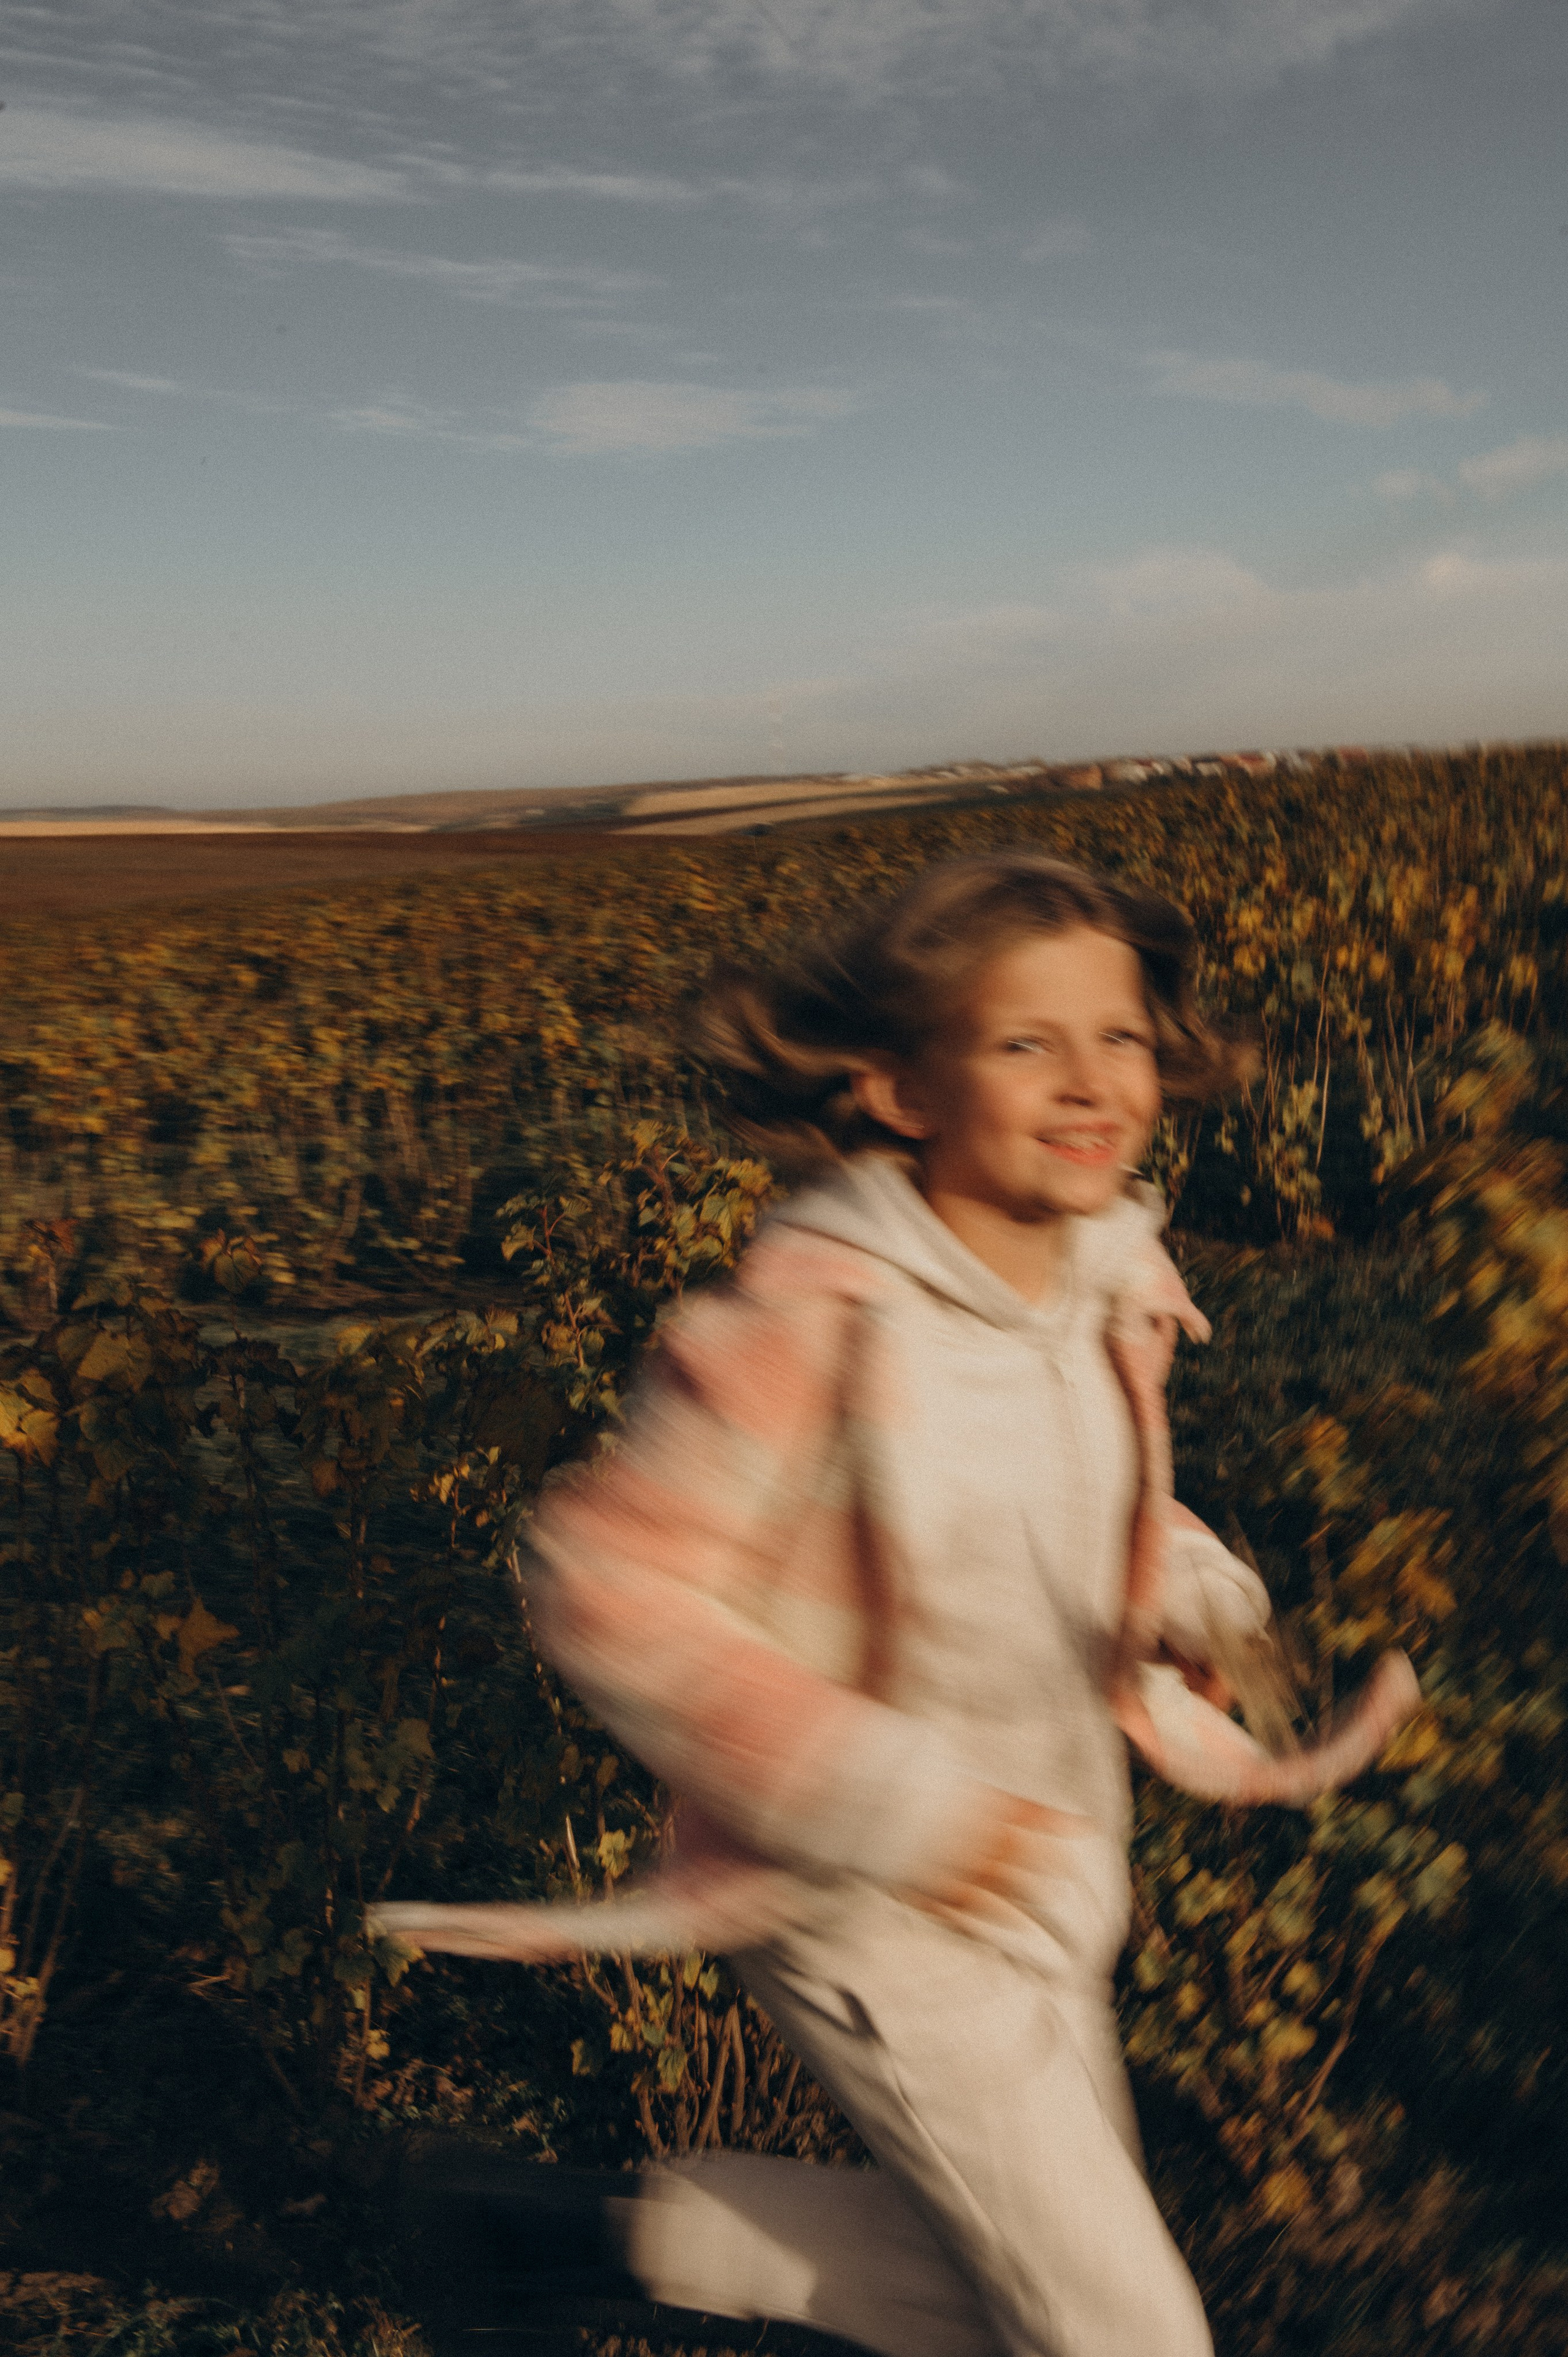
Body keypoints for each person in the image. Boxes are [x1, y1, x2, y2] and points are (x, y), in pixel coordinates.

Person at [373, 853, 1417, 2357]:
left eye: (1115, 1035)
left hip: (1047, 1872)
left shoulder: (1097, 1283)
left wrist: (1192, 1589)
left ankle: (548, 2231)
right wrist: (889, 1802)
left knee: (985, 2303)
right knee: (1128, 2335)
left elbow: (1085, 1495)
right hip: (865, 1896)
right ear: (902, 1090)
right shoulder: (812, 1321)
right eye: (1022, 1041)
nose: (1087, 1080)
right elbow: (605, 1579)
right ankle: (553, 2231)